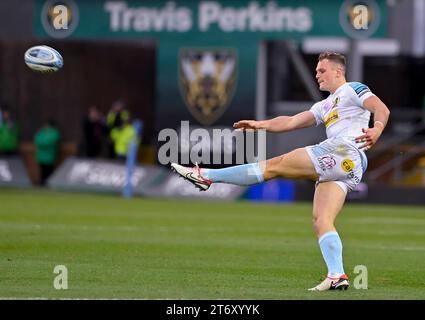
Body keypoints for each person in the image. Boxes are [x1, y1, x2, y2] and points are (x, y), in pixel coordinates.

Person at [171, 52, 390, 291]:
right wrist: (261, 124)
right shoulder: (326, 105)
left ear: (338, 71)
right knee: (322, 220)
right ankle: (337, 275)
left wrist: (377, 129)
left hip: (343, 151)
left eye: (322, 70)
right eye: (316, 70)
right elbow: (292, 121)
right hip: (348, 166)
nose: (317, 74)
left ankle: (206, 176)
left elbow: (381, 109)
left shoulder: (353, 89)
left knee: (273, 166)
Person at [34, 119, 60, 185]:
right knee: (42, 171)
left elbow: (50, 141)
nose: (46, 127)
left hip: (50, 156)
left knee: (49, 171)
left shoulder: (54, 132)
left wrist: (43, 143)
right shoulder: (41, 132)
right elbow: (37, 140)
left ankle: (49, 184)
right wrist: (44, 143)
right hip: (41, 156)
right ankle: (42, 183)